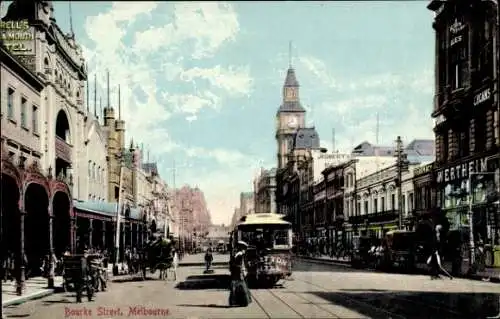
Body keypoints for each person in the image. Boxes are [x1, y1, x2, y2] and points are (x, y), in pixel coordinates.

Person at [229, 241, 252, 307]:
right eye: (245, 249)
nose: (245, 251)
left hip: (235, 273)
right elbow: (240, 265)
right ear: (242, 249)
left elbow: (232, 264)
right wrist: (243, 272)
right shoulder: (240, 255)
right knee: (242, 287)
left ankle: (235, 302)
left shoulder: (236, 254)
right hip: (238, 273)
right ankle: (243, 302)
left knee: (236, 287)